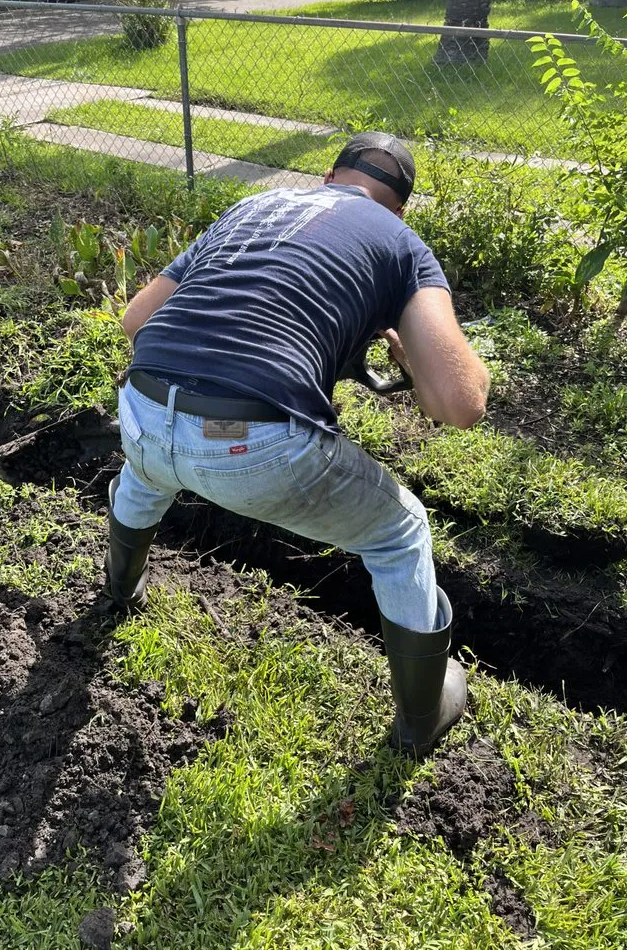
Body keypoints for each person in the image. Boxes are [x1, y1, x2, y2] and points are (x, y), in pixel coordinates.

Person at [107, 132, 490, 757]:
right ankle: (422, 719)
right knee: (401, 532)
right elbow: (460, 404)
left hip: (146, 410)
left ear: (328, 177)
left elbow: (136, 320)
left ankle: (121, 590)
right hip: (247, 441)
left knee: (146, 478)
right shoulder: (400, 243)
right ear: (399, 208)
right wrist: (411, 358)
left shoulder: (253, 207)